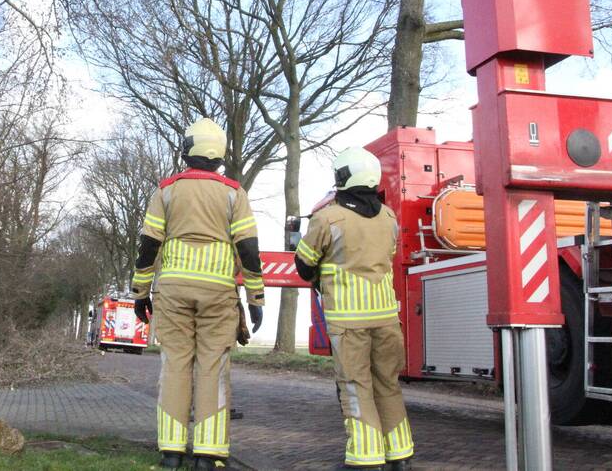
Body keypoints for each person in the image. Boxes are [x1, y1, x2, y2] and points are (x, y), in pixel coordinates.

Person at [131, 119, 265, 471]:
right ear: (219, 153)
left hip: (173, 292)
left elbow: (148, 246)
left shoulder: (167, 190)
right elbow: (249, 250)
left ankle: (171, 453)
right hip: (218, 293)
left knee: (175, 365)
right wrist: (255, 298)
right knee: (212, 368)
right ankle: (208, 455)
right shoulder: (234, 193)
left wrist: (140, 292)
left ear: (187, 149)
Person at [293, 148, 414, 470]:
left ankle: (365, 458)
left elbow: (304, 266)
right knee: (387, 385)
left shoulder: (328, 217)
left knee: (356, 386)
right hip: (387, 318)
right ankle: (400, 455)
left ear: (344, 177)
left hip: (349, 321)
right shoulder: (389, 217)